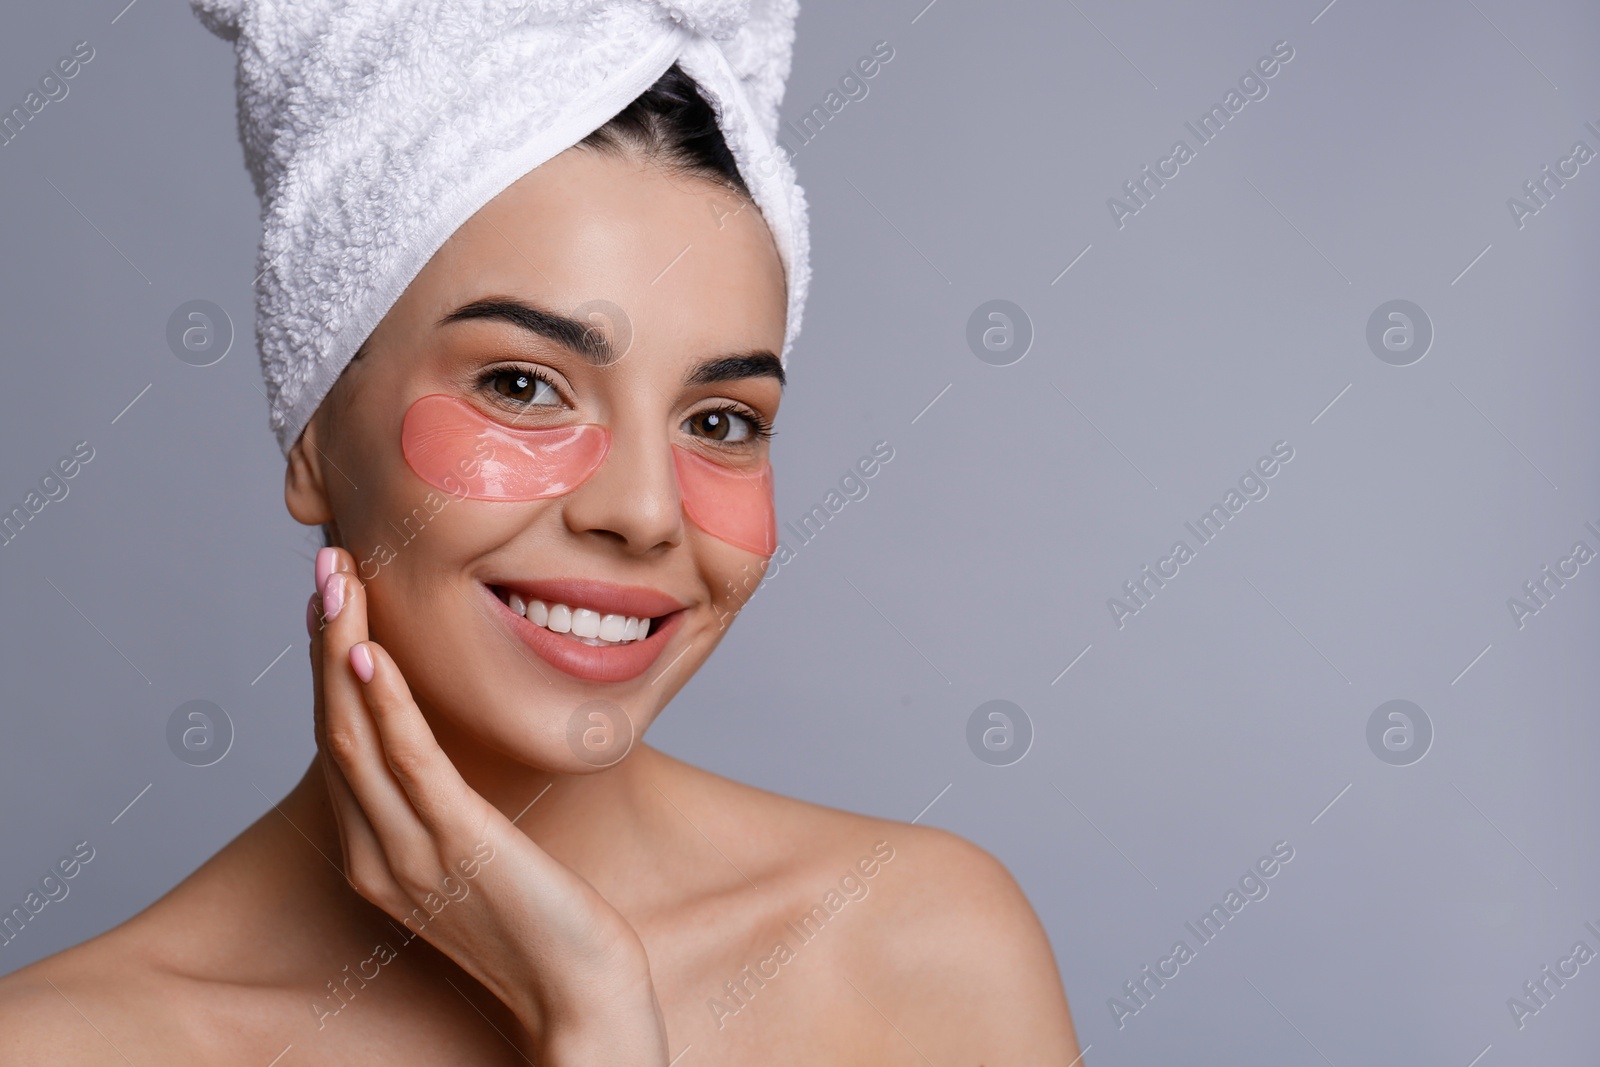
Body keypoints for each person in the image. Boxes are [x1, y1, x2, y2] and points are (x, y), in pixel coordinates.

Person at [0, 6, 1079, 1063]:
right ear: (315, 435)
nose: (644, 510)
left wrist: (595, 1013)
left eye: (720, 420)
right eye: (523, 386)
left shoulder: (918, 948)